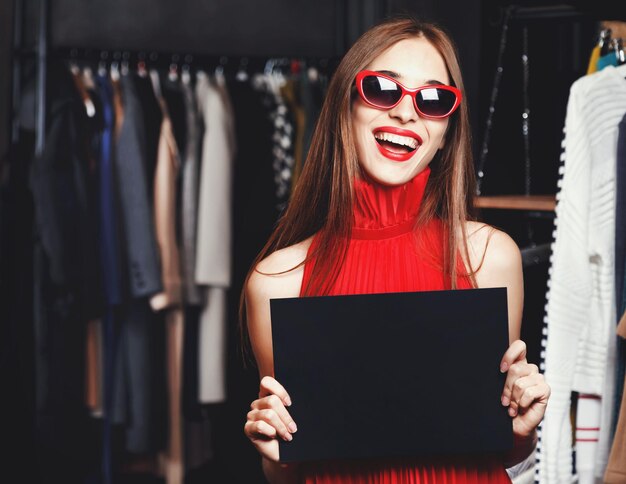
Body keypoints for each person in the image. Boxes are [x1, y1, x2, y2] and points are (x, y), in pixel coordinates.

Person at [242, 16, 551, 484]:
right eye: (383, 90)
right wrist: (273, 453)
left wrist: (524, 429)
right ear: (345, 103)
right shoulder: (277, 281)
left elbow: (496, 447)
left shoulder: (490, 257)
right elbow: (293, 468)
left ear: (446, 131)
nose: (406, 113)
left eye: (432, 100)